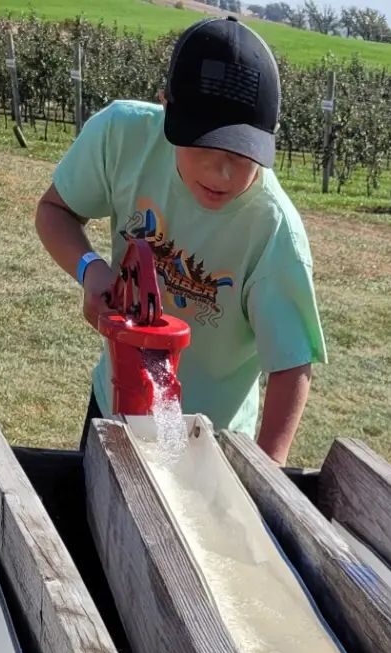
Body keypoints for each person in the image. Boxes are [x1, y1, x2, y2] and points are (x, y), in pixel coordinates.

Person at [35, 16, 324, 463]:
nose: (220, 172)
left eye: (240, 155)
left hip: (207, 445)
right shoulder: (120, 137)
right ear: (167, 108)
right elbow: (55, 211)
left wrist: (266, 477)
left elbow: (289, 366)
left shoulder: (272, 230)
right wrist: (89, 269)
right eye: (204, 146)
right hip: (115, 411)